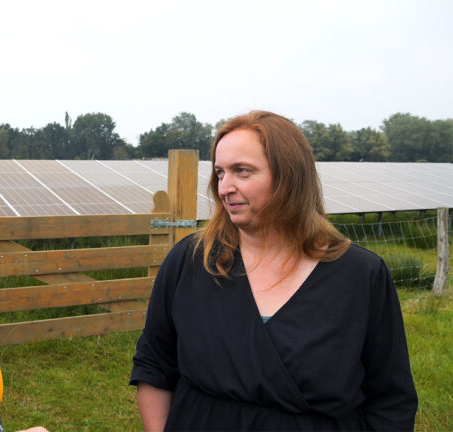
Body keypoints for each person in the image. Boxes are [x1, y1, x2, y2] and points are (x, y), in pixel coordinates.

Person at [130, 111, 417, 431]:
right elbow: (155, 367)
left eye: (242, 171)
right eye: (220, 173)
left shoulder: (361, 275)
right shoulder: (191, 261)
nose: (225, 187)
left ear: (289, 176)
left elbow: (391, 400)